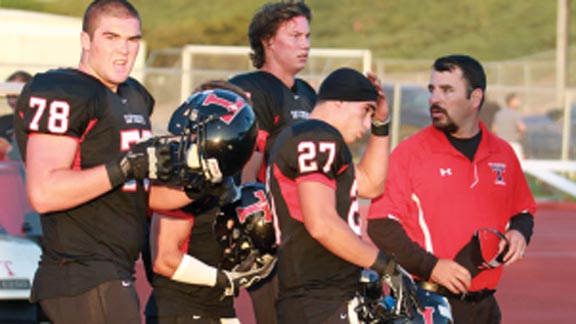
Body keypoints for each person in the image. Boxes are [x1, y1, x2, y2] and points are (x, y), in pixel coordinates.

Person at [13, 1, 177, 322]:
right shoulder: (63, 90)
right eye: (111, 37)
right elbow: (44, 192)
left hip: (116, 268)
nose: (123, 51)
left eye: (132, 40)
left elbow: (142, 191)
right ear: (86, 40)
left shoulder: (135, 95)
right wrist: (126, 166)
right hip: (79, 273)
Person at [367, 54, 536, 324]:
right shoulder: (410, 153)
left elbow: (523, 210)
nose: (435, 99)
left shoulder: (502, 153)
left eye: (447, 90)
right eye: (432, 90)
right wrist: (432, 267)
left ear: (475, 97)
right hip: (429, 307)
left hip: (486, 308)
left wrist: (519, 232)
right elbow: (380, 225)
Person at [268, 67, 403, 324]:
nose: (366, 123)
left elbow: (372, 185)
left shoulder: (310, 137)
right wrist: (385, 267)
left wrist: (381, 124)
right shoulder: (317, 136)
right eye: (365, 111)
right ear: (340, 101)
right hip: (319, 299)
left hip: (319, 296)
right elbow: (322, 225)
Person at [144, 81, 275, 324]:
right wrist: (227, 279)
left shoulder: (225, 170)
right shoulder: (182, 172)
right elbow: (164, 259)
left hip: (216, 307)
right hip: (182, 309)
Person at [228, 2, 316, 323]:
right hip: (269, 237)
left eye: (307, 36)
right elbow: (248, 171)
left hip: (302, 233)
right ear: (267, 41)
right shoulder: (256, 88)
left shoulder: (307, 93)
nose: (305, 44)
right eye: (294, 36)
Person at [0, 70, 32, 161]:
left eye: (16, 96)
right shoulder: (3, 121)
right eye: (9, 96)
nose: (12, 101)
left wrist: (9, 150)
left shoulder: (41, 124)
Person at [492, 92, 527, 159]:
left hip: (500, 145)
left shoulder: (499, 114)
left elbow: (494, 129)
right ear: (511, 101)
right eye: (517, 100)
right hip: (513, 144)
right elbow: (522, 128)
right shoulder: (515, 114)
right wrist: (519, 135)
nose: (519, 102)